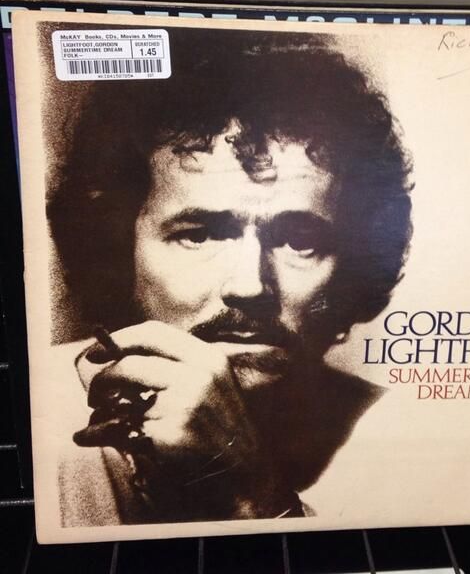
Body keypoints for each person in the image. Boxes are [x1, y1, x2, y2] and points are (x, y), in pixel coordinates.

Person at [47, 28, 413, 525]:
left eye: (299, 241)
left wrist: (252, 497)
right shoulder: (38, 415)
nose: (249, 286)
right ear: (118, 249)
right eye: (199, 235)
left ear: (354, 266)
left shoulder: (407, 439)